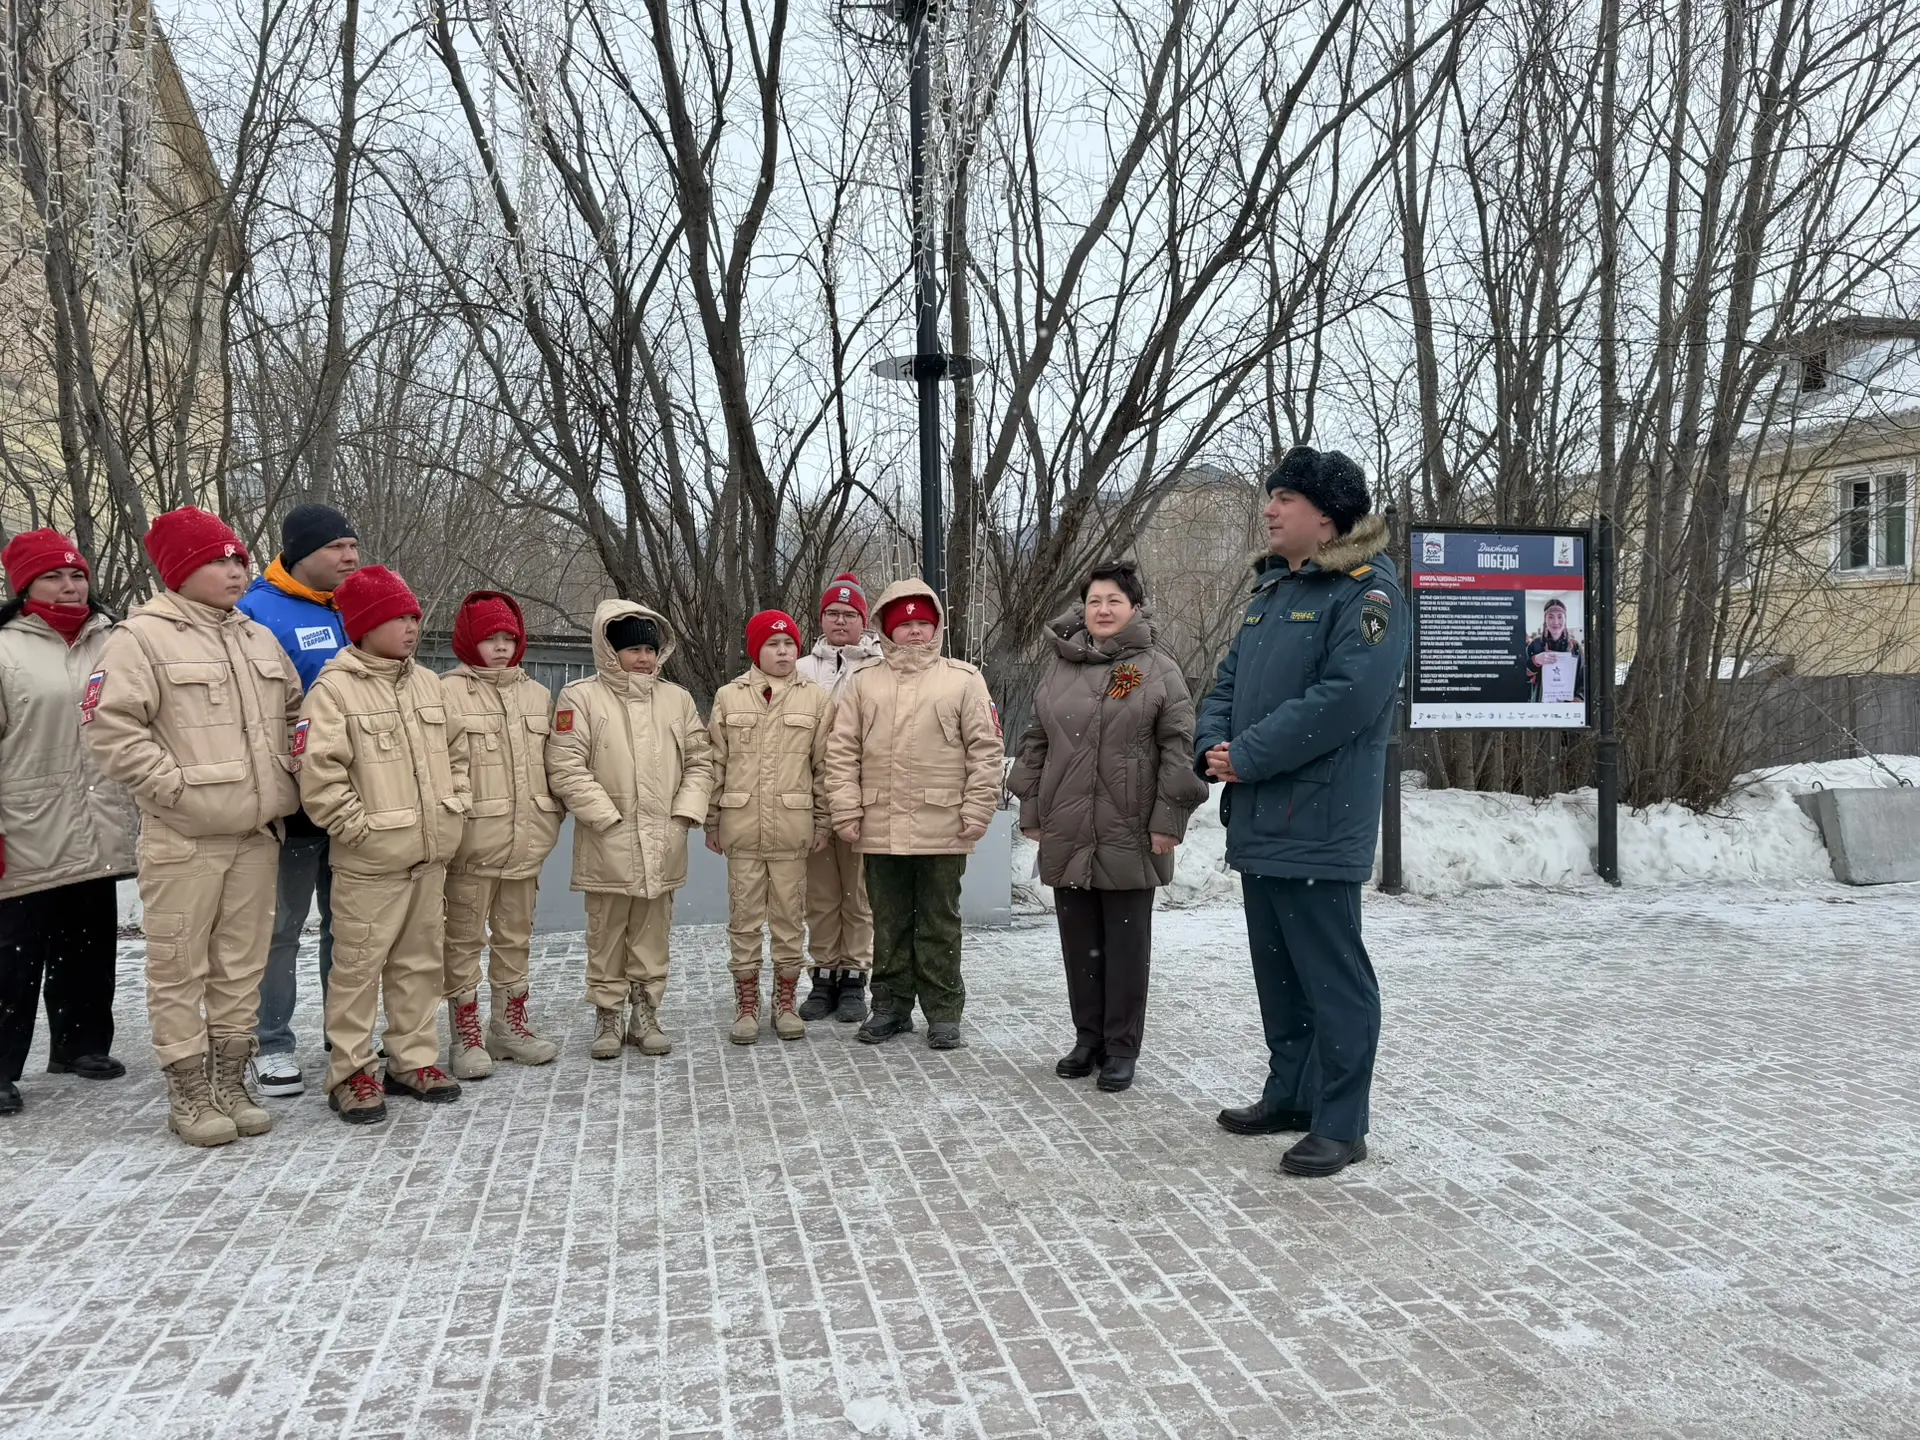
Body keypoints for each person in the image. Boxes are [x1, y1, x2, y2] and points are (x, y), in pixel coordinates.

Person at [1194, 445, 1405, 1178]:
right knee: (1278, 971)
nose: (1270, 509)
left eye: (1285, 498)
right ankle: (1291, 1093)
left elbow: (1346, 699)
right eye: (1271, 496)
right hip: (1262, 817)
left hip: (1318, 819)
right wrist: (1213, 745)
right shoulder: (1273, 591)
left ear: (1327, 517)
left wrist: (1246, 754)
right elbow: (1225, 684)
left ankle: (1343, 1123)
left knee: (1332, 974)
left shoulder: (1366, 592)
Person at [86, 507, 303, 1148]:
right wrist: (175, 791)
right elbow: (110, 729)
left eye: (239, 559)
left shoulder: (256, 637)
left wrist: (289, 778)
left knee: (240, 968)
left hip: (256, 836)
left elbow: (296, 714)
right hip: (184, 837)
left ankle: (231, 1083)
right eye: (219, 560)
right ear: (182, 570)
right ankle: (188, 1092)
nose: (236, 570)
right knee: (179, 967)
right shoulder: (139, 639)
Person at [1007, 561, 1207, 1093]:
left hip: (1129, 826)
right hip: (1068, 824)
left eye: (1114, 601)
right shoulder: (1058, 666)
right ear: (1083, 607)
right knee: (1079, 942)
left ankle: (1121, 1046)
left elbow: (1178, 749)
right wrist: (1032, 811)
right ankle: (1087, 1037)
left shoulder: (1157, 668)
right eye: (1095, 600)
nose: (1103, 610)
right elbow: (1035, 743)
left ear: (1134, 608)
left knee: (1124, 944)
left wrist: (1169, 821)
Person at [299, 565, 470, 1124]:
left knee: (419, 963)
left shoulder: (429, 684)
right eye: (398, 617)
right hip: (371, 864)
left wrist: (456, 805)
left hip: (429, 857)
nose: (411, 627)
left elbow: (458, 755)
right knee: (356, 969)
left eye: (414, 617)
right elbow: (320, 776)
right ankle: (351, 1071)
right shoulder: (335, 689)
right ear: (365, 625)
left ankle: (411, 1060)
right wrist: (360, 831)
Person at [824, 579, 1002, 1050]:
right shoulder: (864, 684)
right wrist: (845, 808)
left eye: (923, 624)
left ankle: (944, 1012)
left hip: (943, 824)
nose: (915, 633)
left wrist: (978, 808)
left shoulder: (963, 680)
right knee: (888, 919)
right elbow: (840, 752)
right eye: (905, 626)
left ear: (937, 627)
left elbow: (985, 751)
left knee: (940, 922)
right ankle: (890, 1007)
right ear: (887, 630)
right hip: (879, 824)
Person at [0, 531, 139, 1117]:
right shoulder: (5, 648)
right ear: (24, 585)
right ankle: (3, 1067)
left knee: (88, 935)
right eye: (54, 576)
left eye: (76, 574)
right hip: (26, 818)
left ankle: (80, 1045)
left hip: (100, 810)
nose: (70, 584)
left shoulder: (115, 638)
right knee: (14, 950)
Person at [545, 600, 713, 1060]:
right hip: (608, 842)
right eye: (633, 649)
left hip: (665, 841)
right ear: (609, 650)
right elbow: (566, 766)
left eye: (650, 649)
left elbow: (701, 761)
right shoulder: (580, 698)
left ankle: (646, 1011)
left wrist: (684, 814)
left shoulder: (676, 700)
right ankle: (607, 1014)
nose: (643, 658)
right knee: (606, 933)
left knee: (653, 933)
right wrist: (607, 817)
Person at [237, 502, 359, 1097]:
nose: (350, 557)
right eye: (337, 547)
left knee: (349, 926)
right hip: (292, 801)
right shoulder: (256, 611)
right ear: (301, 551)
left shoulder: (353, 606)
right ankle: (270, 1041)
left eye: (353, 546)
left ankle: (346, 1036)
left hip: (355, 797)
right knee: (281, 925)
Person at [438, 591, 564, 1077]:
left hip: (527, 841)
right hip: (472, 844)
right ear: (470, 641)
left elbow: (554, 764)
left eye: (509, 638)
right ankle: (464, 1034)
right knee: (463, 940)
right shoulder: (446, 692)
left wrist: (550, 817)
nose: (500, 647)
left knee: (515, 938)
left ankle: (508, 1027)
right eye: (490, 638)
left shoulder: (536, 694)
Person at [705, 610, 833, 1044]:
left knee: (788, 919)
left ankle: (784, 1002)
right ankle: (745, 1005)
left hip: (791, 829)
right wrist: (711, 819)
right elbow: (714, 763)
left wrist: (823, 821)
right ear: (755, 650)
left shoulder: (815, 699)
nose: (783, 652)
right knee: (742, 919)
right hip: (741, 828)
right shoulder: (728, 697)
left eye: (789, 645)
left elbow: (824, 767)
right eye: (773, 645)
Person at [795, 571, 882, 1022]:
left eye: (850, 614)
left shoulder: (879, 667)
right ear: (821, 618)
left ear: (863, 621)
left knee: (859, 893)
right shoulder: (801, 667)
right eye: (833, 613)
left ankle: (854, 976)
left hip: (862, 797)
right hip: (811, 796)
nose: (841, 621)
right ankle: (824, 973)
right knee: (821, 893)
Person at [1525, 598, 1586, 703]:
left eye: (1560, 616)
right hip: (1540, 707)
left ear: (1565, 619)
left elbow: (1583, 679)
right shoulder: (1535, 645)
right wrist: (1535, 661)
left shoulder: (1574, 647)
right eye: (1550, 617)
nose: (1556, 622)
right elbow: (1521, 676)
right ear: (1545, 620)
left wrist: (1577, 699)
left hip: (1567, 709)